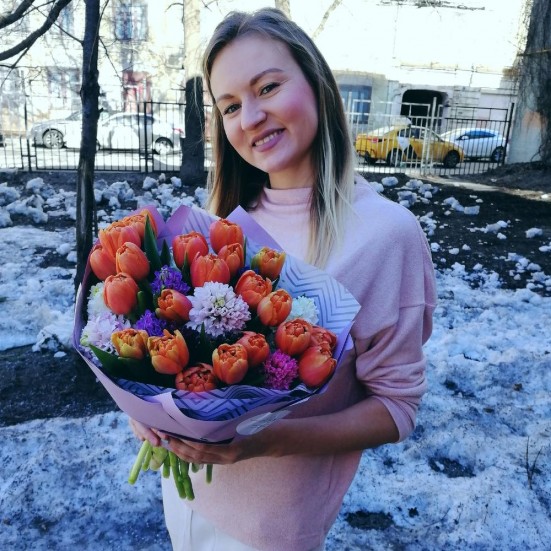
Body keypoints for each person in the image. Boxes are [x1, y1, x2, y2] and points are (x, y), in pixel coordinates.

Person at [130, 7, 436, 551]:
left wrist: (264, 440)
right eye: (230, 106)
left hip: (271, 530)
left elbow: (396, 408)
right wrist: (147, 410)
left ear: (317, 83)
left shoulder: (386, 235)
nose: (250, 117)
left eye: (267, 87)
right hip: (185, 499)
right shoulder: (221, 225)